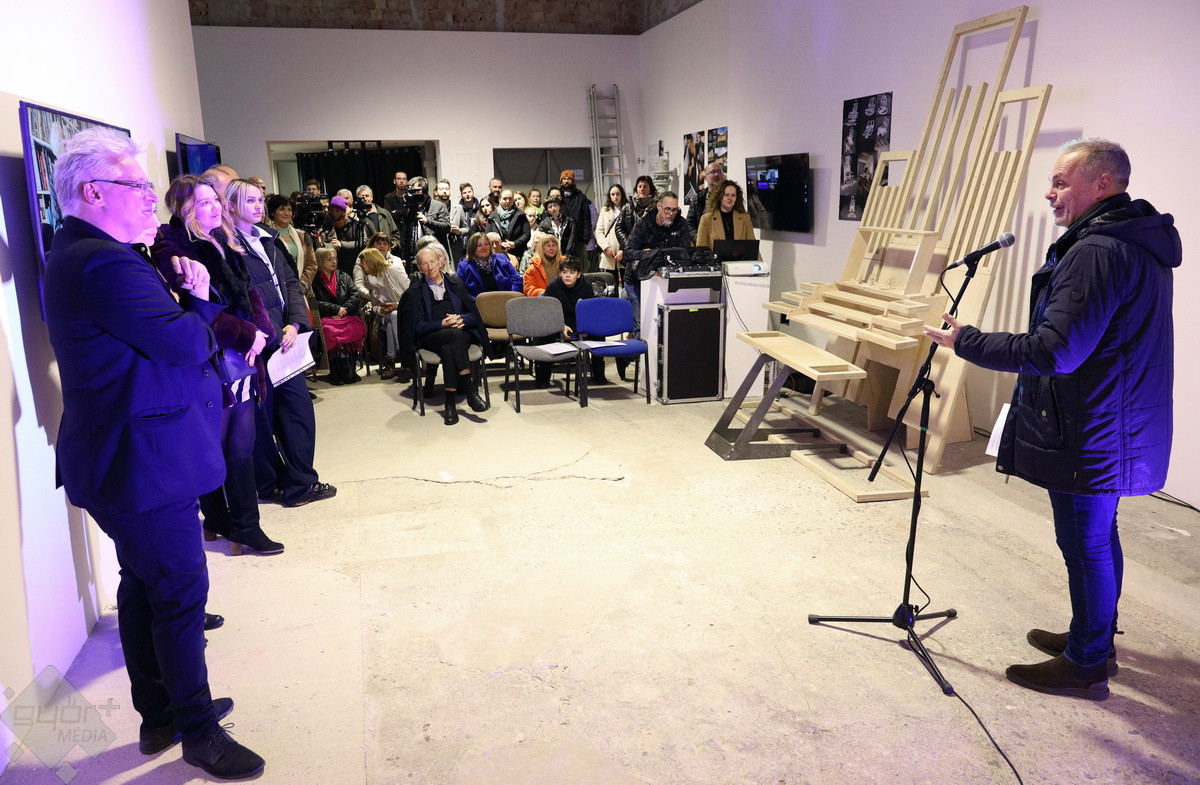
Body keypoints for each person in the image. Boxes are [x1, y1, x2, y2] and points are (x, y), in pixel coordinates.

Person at [43, 128, 265, 780]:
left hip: (126, 456)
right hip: (141, 462)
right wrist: (196, 294)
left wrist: (184, 297)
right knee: (180, 593)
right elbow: (186, 343)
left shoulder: (89, 252)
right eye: (136, 184)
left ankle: (161, 714)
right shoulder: (102, 262)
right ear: (92, 192)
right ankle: (198, 732)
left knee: (144, 586)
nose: (149, 195)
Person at [922, 138, 1179, 700]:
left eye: (1061, 181)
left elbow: (1056, 351)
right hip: (1113, 419)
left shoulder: (1098, 251)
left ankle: (1086, 664)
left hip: (1094, 426)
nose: (1049, 193)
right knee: (1097, 536)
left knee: (1085, 543)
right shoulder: (1133, 242)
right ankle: (1095, 638)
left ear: (1102, 184)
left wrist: (967, 341)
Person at [152, 175, 283, 557]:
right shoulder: (173, 247)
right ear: (185, 208)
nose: (216, 208)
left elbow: (248, 293)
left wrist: (261, 331)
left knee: (240, 445)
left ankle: (238, 524)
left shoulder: (223, 239)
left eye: (216, 200)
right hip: (210, 361)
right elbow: (197, 311)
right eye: (205, 202)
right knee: (215, 446)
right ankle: (229, 522)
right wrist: (246, 334)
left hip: (240, 359)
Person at [227, 180, 338, 509]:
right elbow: (243, 297)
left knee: (298, 412)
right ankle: (271, 484)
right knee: (262, 420)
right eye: (249, 200)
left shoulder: (269, 238)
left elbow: (290, 282)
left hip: (286, 340)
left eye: (259, 200)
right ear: (231, 205)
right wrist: (275, 332)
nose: (258, 206)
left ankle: (301, 483)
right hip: (259, 344)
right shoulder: (227, 244)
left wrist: (296, 323)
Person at [406, 244, 489, 424]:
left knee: (449, 347)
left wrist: (461, 319)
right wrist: (441, 324)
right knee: (453, 336)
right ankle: (470, 390)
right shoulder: (415, 291)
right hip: (432, 336)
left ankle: (450, 404)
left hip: (459, 333)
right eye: (424, 264)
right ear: (419, 267)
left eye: (432, 262)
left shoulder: (455, 284)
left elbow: (473, 315)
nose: (430, 267)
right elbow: (417, 327)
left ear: (440, 262)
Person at [622, 191, 694, 335]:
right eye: (667, 209)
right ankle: (635, 347)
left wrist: (656, 255)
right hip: (637, 281)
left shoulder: (681, 223)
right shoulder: (644, 223)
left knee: (666, 326)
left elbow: (685, 253)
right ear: (658, 207)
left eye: (674, 209)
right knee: (642, 328)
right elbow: (628, 252)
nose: (671, 213)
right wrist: (647, 254)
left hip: (665, 282)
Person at [543, 256, 605, 383]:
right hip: (558, 323)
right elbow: (548, 314)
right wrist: (560, 325)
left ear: (578, 274)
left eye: (572, 272)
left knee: (598, 334)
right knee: (543, 335)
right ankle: (543, 377)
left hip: (579, 324)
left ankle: (598, 374)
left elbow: (590, 312)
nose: (567, 275)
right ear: (560, 273)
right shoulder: (552, 288)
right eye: (564, 272)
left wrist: (586, 327)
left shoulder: (586, 287)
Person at [311, 246, 367, 385]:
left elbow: (355, 296)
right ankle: (336, 372)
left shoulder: (344, 276)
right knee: (329, 330)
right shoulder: (314, 280)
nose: (334, 261)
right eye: (329, 259)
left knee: (354, 328)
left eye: (335, 258)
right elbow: (314, 302)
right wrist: (335, 309)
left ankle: (350, 370)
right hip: (326, 317)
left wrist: (342, 311)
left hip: (347, 314)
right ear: (320, 261)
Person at [357, 247, 410, 379]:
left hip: (405, 312)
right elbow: (374, 305)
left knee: (393, 319)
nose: (360, 265)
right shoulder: (369, 280)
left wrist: (397, 305)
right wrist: (380, 310)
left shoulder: (393, 270)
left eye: (362, 262)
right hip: (385, 315)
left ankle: (390, 362)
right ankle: (405, 358)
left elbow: (411, 294)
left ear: (370, 261)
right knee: (393, 316)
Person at [266, 193, 316, 286]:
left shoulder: (302, 236)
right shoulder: (266, 236)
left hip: (301, 288)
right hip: (278, 286)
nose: (286, 213)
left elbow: (312, 264)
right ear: (272, 212)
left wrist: (302, 283)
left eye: (289, 210)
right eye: (282, 209)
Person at [456, 231, 523, 297]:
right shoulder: (464, 266)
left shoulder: (502, 258)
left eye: (486, 244)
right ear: (472, 248)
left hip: (507, 300)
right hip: (477, 303)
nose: (484, 247)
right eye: (479, 245)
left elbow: (517, 279)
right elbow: (460, 291)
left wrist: (511, 296)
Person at [696, 180, 757, 249]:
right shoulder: (706, 219)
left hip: (740, 256)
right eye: (726, 195)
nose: (730, 198)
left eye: (733, 195)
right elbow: (701, 247)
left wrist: (760, 257)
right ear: (720, 196)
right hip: (715, 256)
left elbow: (753, 247)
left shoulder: (745, 218)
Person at [320, 194, 369, 276]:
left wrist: (342, 244)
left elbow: (363, 242)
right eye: (332, 210)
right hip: (335, 262)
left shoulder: (354, 222)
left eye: (337, 211)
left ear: (342, 211)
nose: (334, 213)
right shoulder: (327, 222)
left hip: (352, 261)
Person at [557, 169, 592, 264]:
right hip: (561, 238)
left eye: (569, 178)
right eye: (564, 179)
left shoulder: (581, 197)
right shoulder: (558, 197)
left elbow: (587, 219)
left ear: (573, 181)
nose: (566, 181)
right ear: (561, 181)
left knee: (578, 265)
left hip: (578, 239)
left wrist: (585, 240)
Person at [616, 175, 657, 254]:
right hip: (632, 253)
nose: (642, 189)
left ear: (650, 189)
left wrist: (652, 248)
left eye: (645, 186)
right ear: (636, 189)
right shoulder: (627, 207)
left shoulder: (657, 208)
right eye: (639, 186)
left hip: (651, 252)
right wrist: (628, 245)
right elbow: (619, 227)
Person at [487, 189, 532, 258]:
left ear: (513, 200)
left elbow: (527, 234)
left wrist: (514, 244)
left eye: (510, 199)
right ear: (500, 200)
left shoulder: (520, 214)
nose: (507, 201)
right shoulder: (492, 216)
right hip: (497, 254)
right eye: (505, 199)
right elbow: (487, 235)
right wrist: (499, 244)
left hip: (517, 253)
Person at [686, 161, 725, 236]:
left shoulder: (730, 197)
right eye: (713, 172)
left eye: (719, 171)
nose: (717, 174)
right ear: (705, 177)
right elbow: (690, 223)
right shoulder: (698, 198)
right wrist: (700, 239)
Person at [594, 183, 626, 272]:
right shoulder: (605, 210)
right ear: (609, 196)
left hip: (623, 251)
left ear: (622, 195)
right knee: (610, 278)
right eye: (613, 194)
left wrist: (623, 250)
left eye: (618, 194)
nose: (615, 197)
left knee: (626, 278)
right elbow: (599, 231)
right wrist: (606, 247)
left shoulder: (628, 209)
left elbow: (631, 232)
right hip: (609, 252)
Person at [523, 233, 563, 297]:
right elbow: (529, 289)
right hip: (543, 300)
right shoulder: (533, 269)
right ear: (541, 248)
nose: (552, 248)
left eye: (554, 245)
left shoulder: (565, 264)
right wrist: (546, 293)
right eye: (548, 246)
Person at [449, 181, 480, 261]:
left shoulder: (480, 208)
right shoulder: (457, 209)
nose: (467, 194)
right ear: (461, 195)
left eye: (469, 192)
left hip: (477, 246)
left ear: (473, 192)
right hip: (462, 246)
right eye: (464, 193)